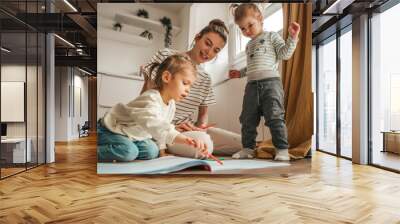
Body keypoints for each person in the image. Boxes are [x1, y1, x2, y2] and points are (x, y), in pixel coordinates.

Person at [141, 19, 244, 159]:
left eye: (216, 50)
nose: (209, 52)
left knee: (245, 143)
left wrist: (200, 126)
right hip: (161, 128)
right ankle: (167, 144)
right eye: (208, 43)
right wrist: (169, 129)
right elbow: (146, 98)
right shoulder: (166, 56)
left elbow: (203, 115)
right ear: (197, 37)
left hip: (188, 130)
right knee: (203, 146)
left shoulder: (206, 78)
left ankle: (190, 145)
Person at [97, 54, 208, 162]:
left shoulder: (171, 105)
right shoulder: (150, 98)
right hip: (112, 130)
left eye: (190, 86)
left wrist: (162, 152)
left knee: (152, 151)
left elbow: (160, 131)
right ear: (166, 77)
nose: (188, 89)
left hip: (134, 136)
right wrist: (184, 139)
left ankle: (125, 148)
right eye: (185, 83)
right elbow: (156, 125)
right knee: (128, 151)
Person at [229, 3, 300, 161]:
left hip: (271, 84)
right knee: (247, 119)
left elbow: (285, 54)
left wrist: (293, 37)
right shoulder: (248, 45)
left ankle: (282, 149)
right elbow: (251, 66)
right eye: (242, 28)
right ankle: (248, 148)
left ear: (260, 19)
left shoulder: (271, 36)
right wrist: (239, 73)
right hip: (251, 86)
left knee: (275, 117)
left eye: (250, 25)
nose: (246, 31)